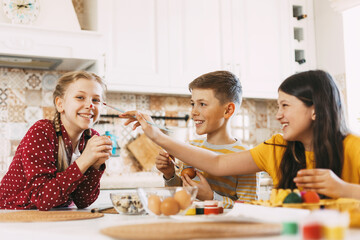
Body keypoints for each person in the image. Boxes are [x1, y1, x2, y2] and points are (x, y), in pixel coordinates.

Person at [121, 70, 360, 200]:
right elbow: (218, 162)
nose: (278, 115)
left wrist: (343, 189)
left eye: (285, 106)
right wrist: (155, 135)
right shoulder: (276, 148)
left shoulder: (353, 148)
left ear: (315, 109)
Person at [0, 71, 113, 210]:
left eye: (96, 100)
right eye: (80, 97)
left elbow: (83, 201)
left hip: (55, 214)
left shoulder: (90, 138)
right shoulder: (41, 132)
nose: (90, 105)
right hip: (12, 214)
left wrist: (95, 166)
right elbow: (42, 199)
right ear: (60, 104)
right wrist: (84, 160)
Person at [156, 71, 256, 208]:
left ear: (228, 110)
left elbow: (250, 208)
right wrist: (170, 175)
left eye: (202, 104)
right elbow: (181, 196)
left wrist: (211, 197)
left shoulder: (246, 159)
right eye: (193, 104)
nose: (193, 112)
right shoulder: (191, 148)